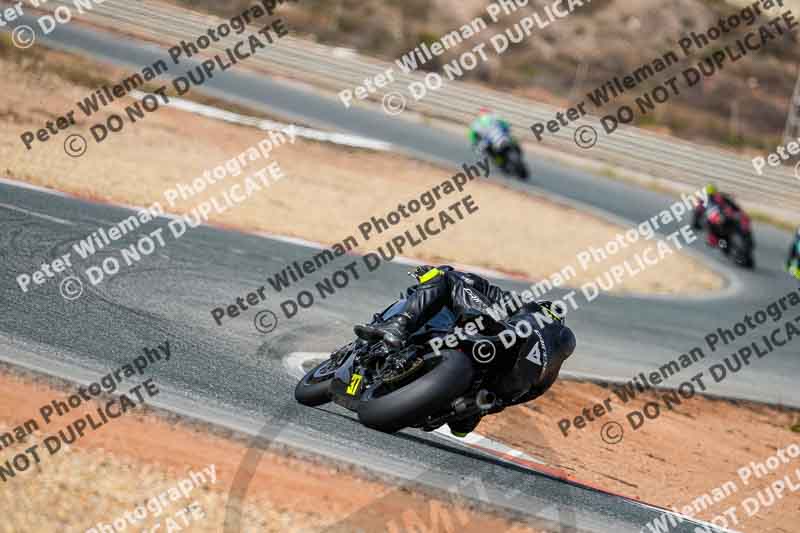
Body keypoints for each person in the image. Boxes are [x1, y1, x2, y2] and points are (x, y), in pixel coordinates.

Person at [354, 265, 576, 436]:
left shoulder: (520, 306)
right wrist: (485, 407)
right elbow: (526, 394)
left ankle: (399, 324)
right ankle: (466, 408)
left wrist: (436, 274)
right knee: (463, 426)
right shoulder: (551, 361)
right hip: (499, 388)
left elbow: (469, 281)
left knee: (448, 279)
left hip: (492, 340)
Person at [692, 184, 743, 248]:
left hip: (720, 218)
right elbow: (698, 213)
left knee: (730, 221)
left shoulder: (717, 197)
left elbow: (728, 201)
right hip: (716, 220)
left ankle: (732, 236)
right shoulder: (706, 201)